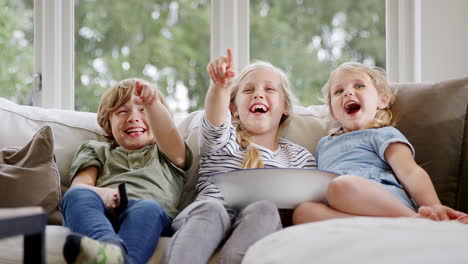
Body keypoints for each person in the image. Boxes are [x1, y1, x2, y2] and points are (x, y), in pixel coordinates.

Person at [164, 49, 316, 264]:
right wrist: (220, 87)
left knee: (265, 208)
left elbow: (307, 201)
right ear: (234, 108)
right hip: (207, 217)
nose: (258, 94)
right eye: (248, 90)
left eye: (270, 89)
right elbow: (215, 118)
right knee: (211, 208)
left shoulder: (298, 156)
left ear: (286, 107)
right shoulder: (224, 140)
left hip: (259, 223)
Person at [293, 62, 468, 224]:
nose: (348, 92)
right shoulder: (324, 144)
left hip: (384, 201)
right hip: (342, 209)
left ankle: (415, 221)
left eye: (359, 86)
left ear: (382, 101)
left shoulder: (382, 134)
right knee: (302, 212)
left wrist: (434, 207)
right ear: (332, 111)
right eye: (338, 91)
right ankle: (377, 227)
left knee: (341, 185)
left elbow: (410, 172)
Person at [61, 78, 193, 264]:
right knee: (75, 196)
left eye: (143, 110)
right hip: (102, 214)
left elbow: (168, 131)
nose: (133, 118)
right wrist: (105, 194)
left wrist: (152, 103)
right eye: (122, 112)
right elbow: (80, 186)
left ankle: (110, 256)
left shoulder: (167, 152)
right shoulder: (95, 149)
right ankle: (110, 250)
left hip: (147, 217)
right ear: (108, 123)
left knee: (148, 207)